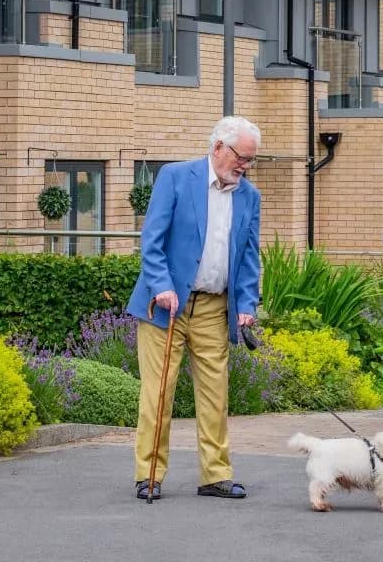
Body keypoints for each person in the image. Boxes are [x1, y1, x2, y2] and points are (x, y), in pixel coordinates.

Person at [126, 116, 262, 501]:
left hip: (213, 306)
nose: (245, 166)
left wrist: (246, 304)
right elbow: (151, 241)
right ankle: (148, 474)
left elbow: (249, 257)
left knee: (216, 394)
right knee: (159, 391)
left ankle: (215, 475)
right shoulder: (175, 177)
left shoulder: (249, 196)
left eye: (251, 161)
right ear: (218, 146)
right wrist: (162, 287)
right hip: (164, 305)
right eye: (242, 158)